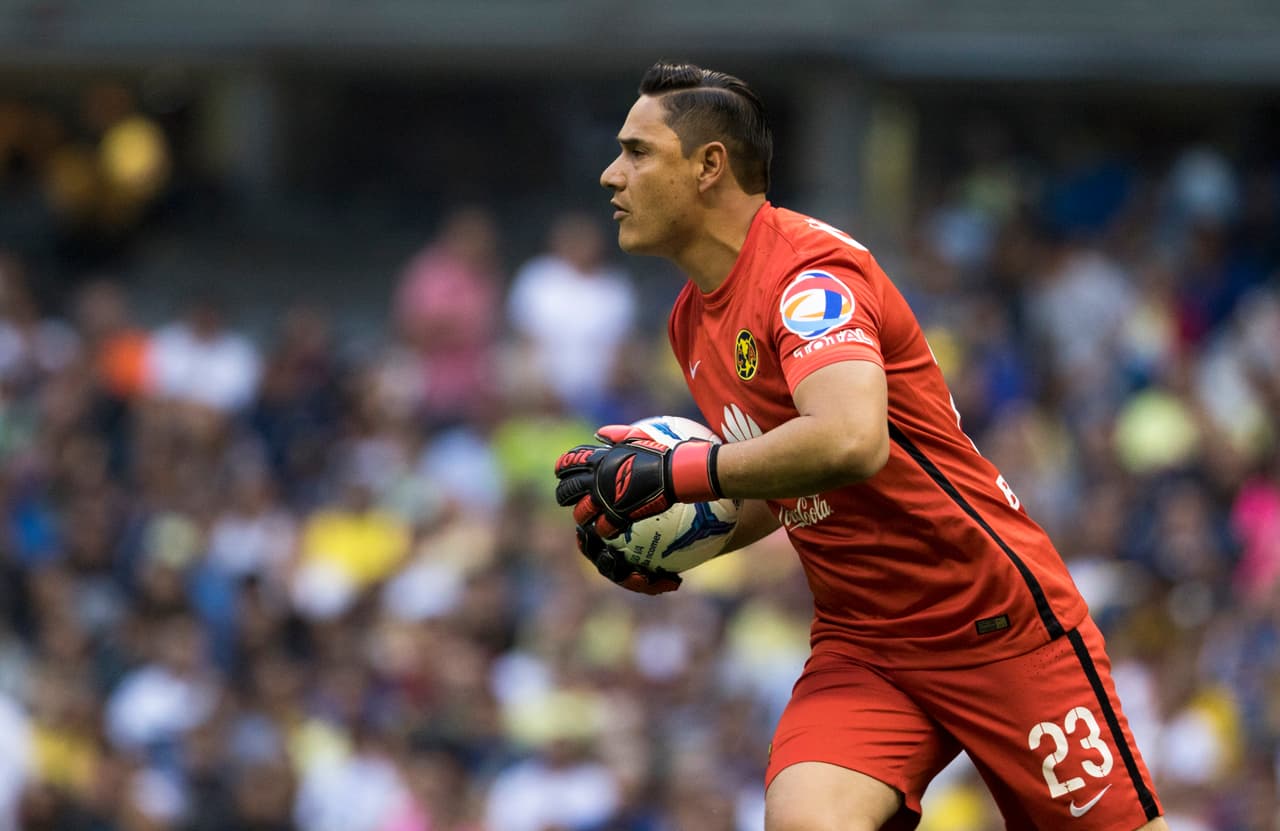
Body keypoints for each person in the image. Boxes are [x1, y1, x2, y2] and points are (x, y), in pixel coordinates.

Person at [553, 61, 1167, 831]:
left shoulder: (810, 275)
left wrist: (677, 473)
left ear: (709, 166)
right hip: (866, 644)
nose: (611, 175)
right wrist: (679, 544)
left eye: (637, 151)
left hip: (994, 622)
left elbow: (849, 440)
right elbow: (792, 483)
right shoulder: (689, 322)